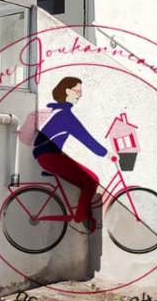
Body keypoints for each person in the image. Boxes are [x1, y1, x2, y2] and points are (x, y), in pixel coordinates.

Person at [32, 76, 107, 232]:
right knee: (92, 180)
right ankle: (80, 216)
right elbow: (85, 138)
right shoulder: (65, 115)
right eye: (77, 91)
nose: (80, 95)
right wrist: (106, 153)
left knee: (85, 182)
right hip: (50, 156)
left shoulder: (57, 111)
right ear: (67, 91)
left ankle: (86, 215)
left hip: (48, 156)